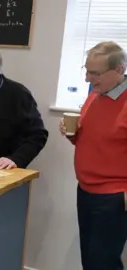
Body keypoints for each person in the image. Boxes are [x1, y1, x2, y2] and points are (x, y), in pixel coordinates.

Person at [59, 41, 127, 270]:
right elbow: (93, 139)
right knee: (90, 259)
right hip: (86, 191)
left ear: (119, 70)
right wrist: (72, 134)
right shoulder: (96, 93)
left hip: (114, 197)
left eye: (95, 73)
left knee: (102, 262)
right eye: (86, 71)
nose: (88, 78)